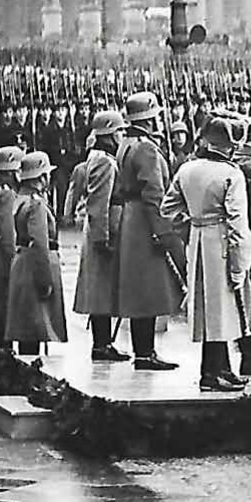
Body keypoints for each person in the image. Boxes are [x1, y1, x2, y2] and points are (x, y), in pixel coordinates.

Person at [162, 116, 251, 391]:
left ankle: (219, 368)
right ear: (230, 147)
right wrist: (241, 263)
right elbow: (239, 222)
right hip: (223, 240)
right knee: (222, 308)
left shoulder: (187, 169)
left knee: (208, 308)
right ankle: (213, 373)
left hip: (198, 237)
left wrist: (192, 225)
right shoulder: (232, 174)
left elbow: (167, 209)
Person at [113, 92, 187, 372]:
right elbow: (154, 192)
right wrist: (162, 231)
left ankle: (143, 351)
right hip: (145, 220)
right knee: (147, 289)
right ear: (149, 117)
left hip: (132, 218)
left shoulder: (126, 143)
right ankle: (145, 353)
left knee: (138, 288)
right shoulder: (146, 148)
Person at [69, 110, 128, 361]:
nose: (122, 135)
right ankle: (101, 344)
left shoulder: (97, 157)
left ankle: (102, 343)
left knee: (100, 290)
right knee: (101, 291)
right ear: (110, 134)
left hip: (98, 231)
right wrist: (103, 238)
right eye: (119, 131)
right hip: (101, 233)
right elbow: (99, 203)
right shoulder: (105, 161)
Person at [6, 151, 68, 356]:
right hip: (36, 268)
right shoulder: (36, 204)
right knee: (34, 329)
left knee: (26, 329)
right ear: (41, 177)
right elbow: (40, 244)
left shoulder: (20, 199)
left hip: (22, 264)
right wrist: (45, 281)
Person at [0, 146, 25, 351]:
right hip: (2, 261)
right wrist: (15, 265)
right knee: (3, 311)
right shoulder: (7, 196)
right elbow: (7, 237)